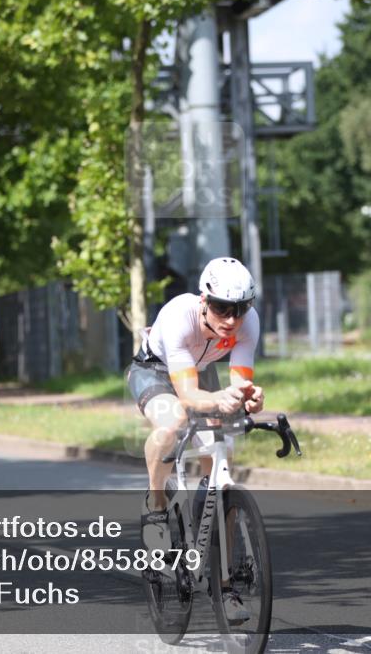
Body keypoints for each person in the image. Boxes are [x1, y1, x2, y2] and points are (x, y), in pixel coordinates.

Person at [128, 257, 264, 621]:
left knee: (222, 459)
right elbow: (187, 395)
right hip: (154, 370)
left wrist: (247, 396)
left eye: (240, 308)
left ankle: (225, 584)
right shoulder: (178, 316)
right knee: (172, 422)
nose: (232, 319)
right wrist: (221, 399)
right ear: (204, 300)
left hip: (201, 371)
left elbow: (238, 382)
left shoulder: (247, 323)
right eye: (222, 307)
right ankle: (157, 506)